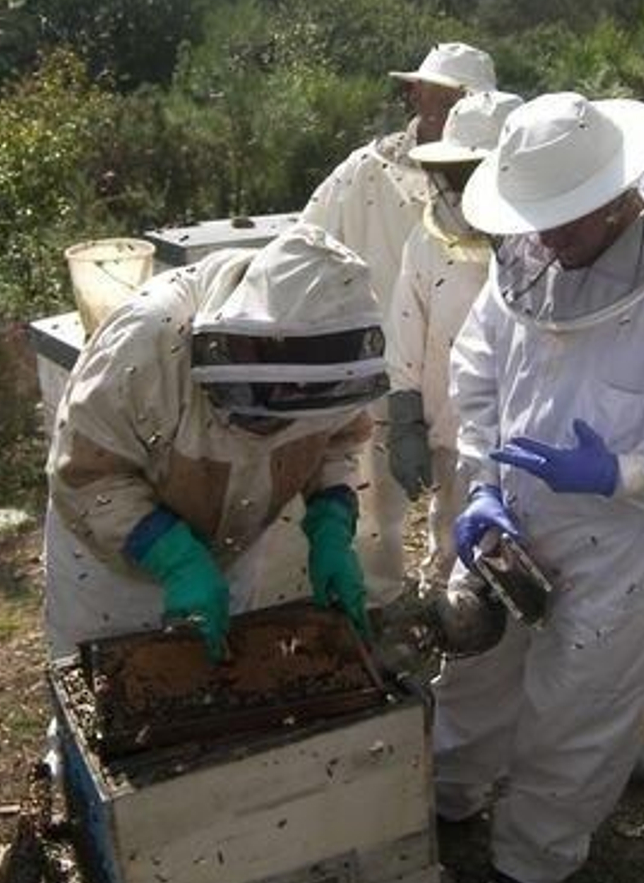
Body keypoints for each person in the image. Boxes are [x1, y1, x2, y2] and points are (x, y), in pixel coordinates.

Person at [435, 92, 644, 883]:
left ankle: (530, 870)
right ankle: (447, 805)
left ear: (621, 193)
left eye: (567, 221)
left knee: (577, 716)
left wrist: (626, 472)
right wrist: (480, 482)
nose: (548, 238)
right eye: (536, 218)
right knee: (474, 677)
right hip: (507, 525)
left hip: (622, 544)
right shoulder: (525, 260)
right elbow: (478, 372)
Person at [42, 223, 386, 659]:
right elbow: (86, 472)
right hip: (112, 573)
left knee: (215, 686)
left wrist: (332, 524)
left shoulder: (335, 359)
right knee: (104, 696)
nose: (288, 406)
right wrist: (174, 556)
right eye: (278, 394)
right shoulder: (148, 338)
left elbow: (337, 440)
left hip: (228, 554)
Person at [301, 41, 498, 604]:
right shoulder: (368, 171)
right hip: (376, 366)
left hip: (469, 377)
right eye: (435, 99)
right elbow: (307, 239)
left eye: (458, 103)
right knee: (371, 506)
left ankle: (451, 592)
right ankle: (375, 599)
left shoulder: (499, 180)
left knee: (464, 504)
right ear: (415, 93)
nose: (442, 114)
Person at [385, 88, 521, 592]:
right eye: (456, 172)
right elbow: (405, 329)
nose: (460, 187)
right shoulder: (427, 238)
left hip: (535, 449)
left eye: (472, 172)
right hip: (451, 434)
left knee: (523, 570)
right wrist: (405, 419)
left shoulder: (552, 244)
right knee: (452, 554)